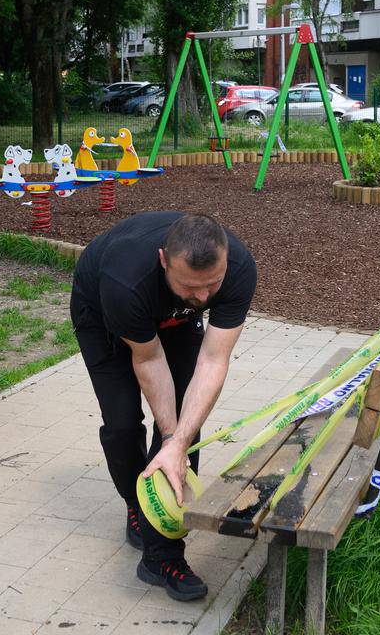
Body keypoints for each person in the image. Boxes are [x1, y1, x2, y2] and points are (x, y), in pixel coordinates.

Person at [69, 211, 257, 601]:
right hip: (103, 314)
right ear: (163, 262)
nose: (205, 297)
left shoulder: (238, 268)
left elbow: (213, 360)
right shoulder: (126, 280)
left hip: (175, 320)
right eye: (192, 286)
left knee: (189, 422)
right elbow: (149, 360)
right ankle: (135, 503)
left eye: (212, 285)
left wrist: (178, 439)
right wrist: (170, 435)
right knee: (123, 424)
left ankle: (162, 557)